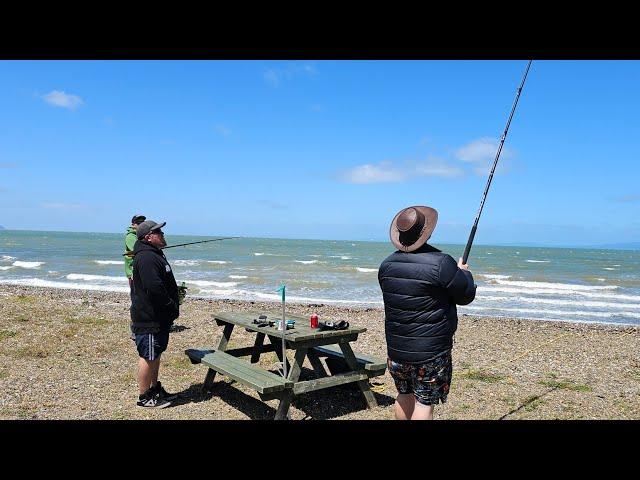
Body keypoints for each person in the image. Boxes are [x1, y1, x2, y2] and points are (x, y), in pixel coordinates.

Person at [378, 205, 476, 420]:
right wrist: (465, 274)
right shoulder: (442, 263)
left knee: (403, 395)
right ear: (428, 232)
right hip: (430, 352)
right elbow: (465, 296)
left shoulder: (386, 265)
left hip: (397, 349)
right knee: (424, 403)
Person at [130, 219, 179, 408]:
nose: (163, 235)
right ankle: (144, 397)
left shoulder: (153, 254)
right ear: (149, 237)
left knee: (155, 353)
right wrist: (169, 305)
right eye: (159, 232)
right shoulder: (147, 257)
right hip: (149, 318)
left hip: (159, 318)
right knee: (148, 356)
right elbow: (154, 287)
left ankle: (154, 389)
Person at [124, 214, 146, 290]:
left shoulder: (141, 235)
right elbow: (137, 250)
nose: (141, 225)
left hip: (141, 269)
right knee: (136, 294)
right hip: (133, 270)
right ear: (133, 224)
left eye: (142, 223)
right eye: (138, 223)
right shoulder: (130, 236)